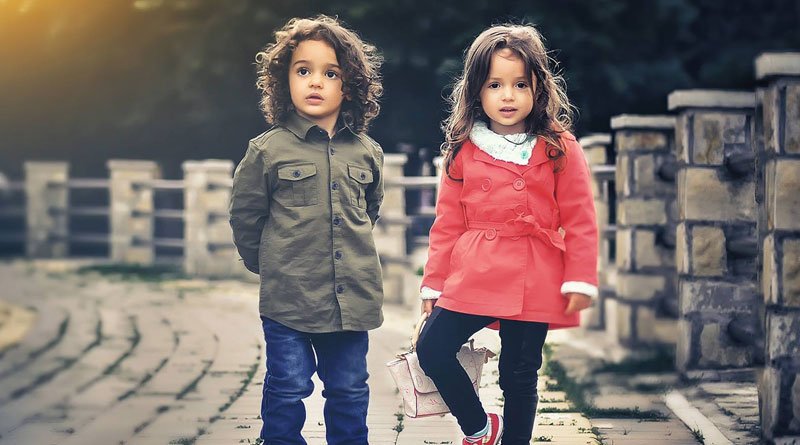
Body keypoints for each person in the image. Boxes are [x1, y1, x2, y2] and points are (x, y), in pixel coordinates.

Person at [415, 23, 598, 445]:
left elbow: (581, 217)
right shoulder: (463, 149)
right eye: (495, 84)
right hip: (474, 270)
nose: (508, 95)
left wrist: (580, 277)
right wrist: (433, 284)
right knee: (432, 349)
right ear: (477, 90)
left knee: (520, 372)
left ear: (539, 87)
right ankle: (480, 428)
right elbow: (447, 225)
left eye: (520, 84)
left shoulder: (559, 146)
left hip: (535, 271)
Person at [229, 15, 384, 445]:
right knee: (288, 387)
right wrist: (269, 265)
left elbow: (368, 212)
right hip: (288, 301)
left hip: (351, 302)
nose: (315, 82)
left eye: (329, 73)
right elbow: (245, 216)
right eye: (303, 71)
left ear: (348, 86)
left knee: (350, 390)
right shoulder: (267, 150)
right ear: (285, 81)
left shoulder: (368, 152)